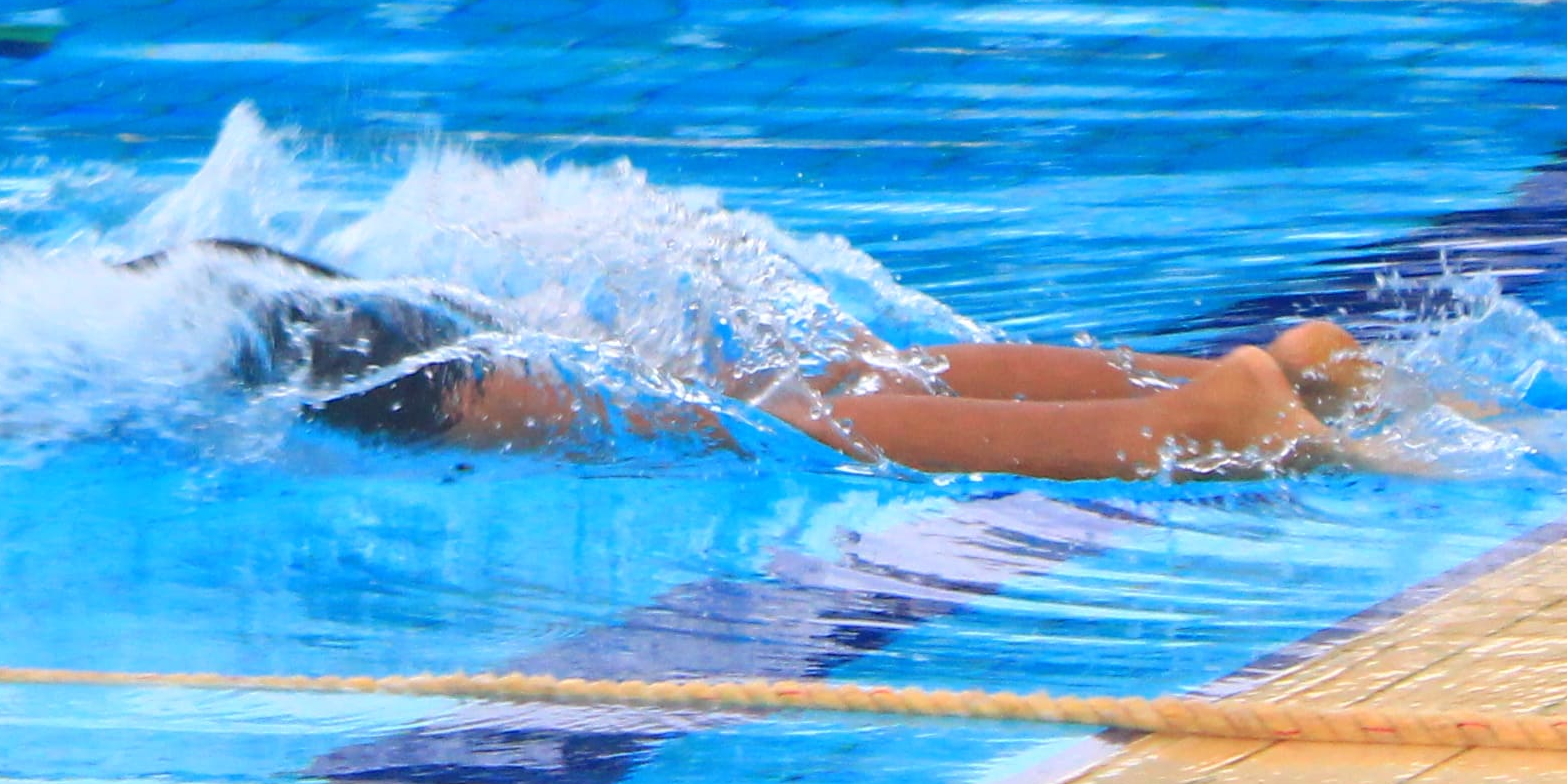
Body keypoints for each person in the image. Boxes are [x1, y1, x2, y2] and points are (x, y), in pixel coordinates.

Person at [186, 242, 1378, 476]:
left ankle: (1200, 418)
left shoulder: (164, 343)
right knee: (843, 379)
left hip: (406, 368)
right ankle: (1253, 374)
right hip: (407, 323)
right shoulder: (195, 277)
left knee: (785, 425)